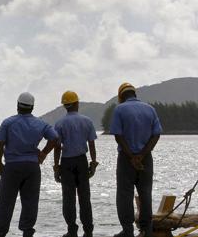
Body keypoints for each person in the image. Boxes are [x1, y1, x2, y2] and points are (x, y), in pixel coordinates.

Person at [0, 92, 59, 237]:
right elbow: (55, 138)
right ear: (32, 108)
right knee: (30, 203)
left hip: (12, 168)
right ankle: (27, 232)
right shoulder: (41, 124)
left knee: (5, 202)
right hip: (32, 168)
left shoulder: (8, 123)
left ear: (17, 106)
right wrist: (44, 153)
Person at [110, 83, 162, 237]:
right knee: (145, 193)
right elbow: (156, 134)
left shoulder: (119, 109)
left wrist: (132, 157)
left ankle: (127, 231)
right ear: (134, 94)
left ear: (121, 96)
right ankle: (147, 230)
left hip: (126, 159)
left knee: (125, 195)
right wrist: (143, 155)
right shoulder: (150, 109)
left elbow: (118, 136)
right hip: (146, 159)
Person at [53, 91, 98, 237]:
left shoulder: (59, 124)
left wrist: (56, 167)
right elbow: (91, 144)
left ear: (65, 106)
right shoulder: (87, 121)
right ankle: (88, 231)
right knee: (85, 198)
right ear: (77, 103)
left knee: (68, 198)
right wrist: (93, 162)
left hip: (66, 162)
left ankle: (72, 230)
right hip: (81, 161)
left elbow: (57, 146)